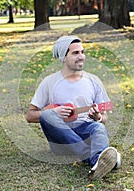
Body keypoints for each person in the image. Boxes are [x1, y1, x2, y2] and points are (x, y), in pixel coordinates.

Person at [25, 35, 121, 180]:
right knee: (47, 115)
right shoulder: (49, 82)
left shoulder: (94, 81)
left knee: (99, 128)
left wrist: (98, 117)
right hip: (61, 140)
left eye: (82, 52)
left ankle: (97, 165)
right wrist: (54, 112)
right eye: (75, 53)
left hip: (86, 130)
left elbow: (104, 116)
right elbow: (29, 115)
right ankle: (95, 156)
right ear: (63, 57)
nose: (81, 56)